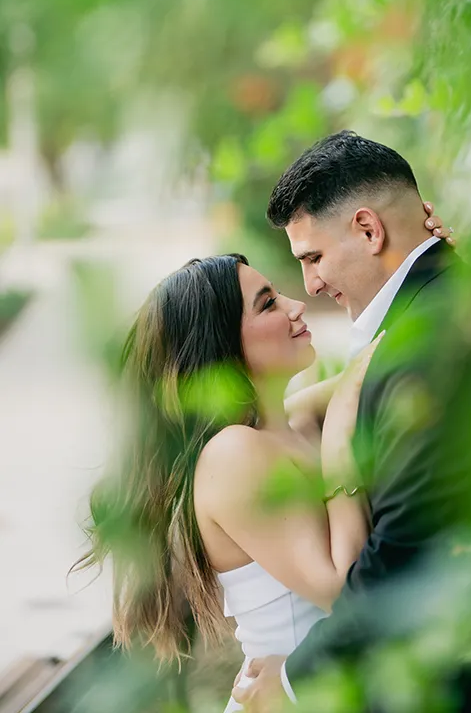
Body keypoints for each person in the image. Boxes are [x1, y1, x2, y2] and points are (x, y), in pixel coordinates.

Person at [77, 199, 447, 712]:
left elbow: (395, 354)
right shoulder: (230, 455)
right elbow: (341, 590)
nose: (297, 305)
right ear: (222, 347)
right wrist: (340, 447)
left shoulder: (294, 420)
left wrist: (433, 254)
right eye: (269, 304)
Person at [233, 131, 471, 713]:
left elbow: (407, 546)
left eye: (312, 258)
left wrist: (294, 681)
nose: (310, 286)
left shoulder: (426, 341)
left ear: (367, 229)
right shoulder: (434, 304)